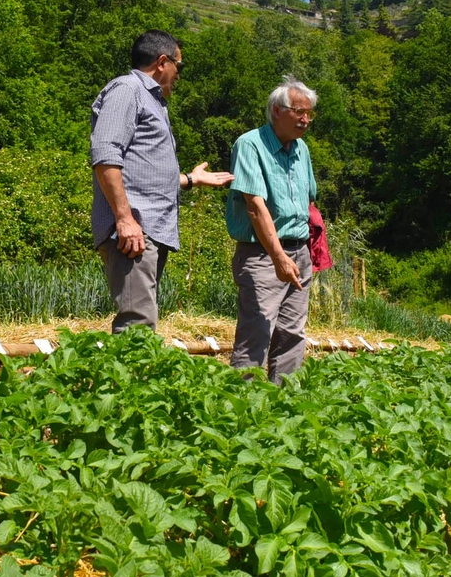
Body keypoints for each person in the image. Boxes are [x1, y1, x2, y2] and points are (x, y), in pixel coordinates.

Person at [90, 29, 233, 333]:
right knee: (137, 325)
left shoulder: (151, 100)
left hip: (147, 230)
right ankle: (129, 381)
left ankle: (136, 378)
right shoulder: (127, 90)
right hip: (133, 230)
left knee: (143, 321)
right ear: (162, 61)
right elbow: (105, 156)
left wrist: (190, 179)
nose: (179, 75)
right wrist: (125, 219)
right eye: (179, 67)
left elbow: (144, 173)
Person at [226, 79, 319, 383]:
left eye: (310, 113)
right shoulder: (250, 144)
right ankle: (243, 405)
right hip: (263, 254)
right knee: (258, 333)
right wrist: (278, 257)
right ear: (277, 111)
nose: (306, 120)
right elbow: (254, 206)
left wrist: (310, 248)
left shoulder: (302, 149)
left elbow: (309, 202)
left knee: (292, 334)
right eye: (299, 112)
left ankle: (284, 406)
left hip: (299, 251)